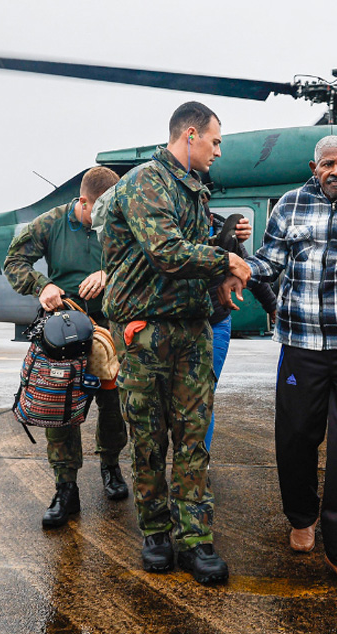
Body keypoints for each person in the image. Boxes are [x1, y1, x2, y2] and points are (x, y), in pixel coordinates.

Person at [220, 135, 337, 594]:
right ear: (314, 166)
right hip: (302, 342)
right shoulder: (289, 205)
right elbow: (271, 262)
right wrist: (239, 266)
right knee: (296, 436)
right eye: (329, 164)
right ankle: (302, 517)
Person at [100, 101, 250, 584]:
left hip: (191, 329)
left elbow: (193, 259)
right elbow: (166, 252)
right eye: (215, 141)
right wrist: (226, 261)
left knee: (193, 438)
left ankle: (196, 537)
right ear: (190, 135)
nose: (218, 152)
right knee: (149, 440)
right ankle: (156, 532)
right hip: (145, 332)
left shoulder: (195, 192)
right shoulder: (147, 182)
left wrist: (221, 275)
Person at [4, 166, 129, 529]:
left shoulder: (118, 222)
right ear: (84, 202)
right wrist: (41, 285)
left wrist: (110, 274)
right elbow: (14, 262)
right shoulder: (52, 223)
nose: (107, 217)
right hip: (64, 329)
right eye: (100, 210)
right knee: (59, 406)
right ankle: (66, 488)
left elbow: (143, 260)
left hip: (108, 327)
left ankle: (110, 465)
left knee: (113, 405)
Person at [205, 212, 276, 449]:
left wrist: (273, 307)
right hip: (177, 321)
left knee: (204, 396)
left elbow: (246, 270)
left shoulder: (221, 228)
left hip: (215, 322)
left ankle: (199, 466)